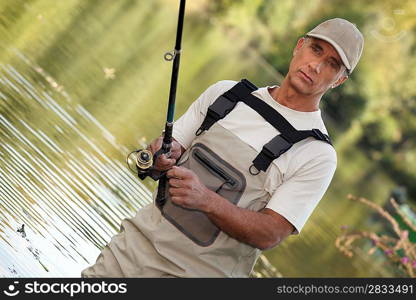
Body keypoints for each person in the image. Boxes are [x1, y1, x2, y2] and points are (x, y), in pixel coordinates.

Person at [81, 18, 364, 278]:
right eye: (316, 50)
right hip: (128, 253)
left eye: (331, 64)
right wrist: (160, 158)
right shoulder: (225, 94)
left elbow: (270, 234)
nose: (316, 66)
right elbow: (162, 157)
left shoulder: (317, 155)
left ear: (339, 80)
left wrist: (206, 200)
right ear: (299, 46)